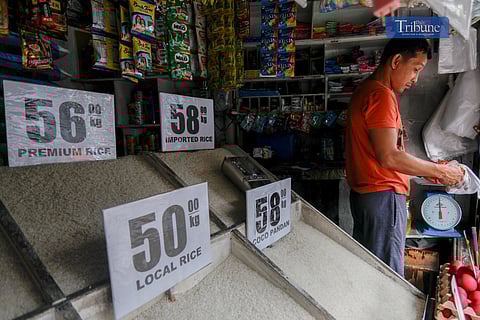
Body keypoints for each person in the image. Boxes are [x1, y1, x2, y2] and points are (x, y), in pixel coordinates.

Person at [345, 38, 464, 277]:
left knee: (372, 273)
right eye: (416, 69)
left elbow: (388, 153)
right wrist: (440, 172)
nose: (415, 79)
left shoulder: (367, 90)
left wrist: (430, 170)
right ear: (397, 60)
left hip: (370, 198)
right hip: (383, 199)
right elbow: (390, 157)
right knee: (386, 280)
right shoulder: (381, 96)